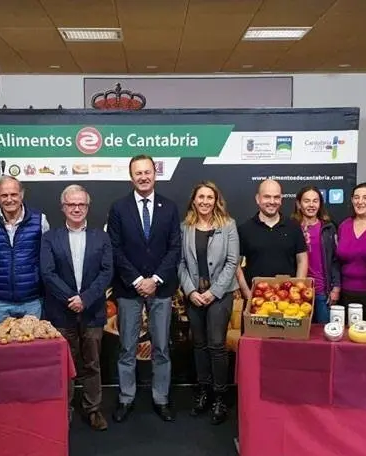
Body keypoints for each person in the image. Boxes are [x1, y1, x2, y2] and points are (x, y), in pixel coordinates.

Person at [107, 154, 181, 423]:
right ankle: (126, 397)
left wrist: (156, 279)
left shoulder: (170, 208)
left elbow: (175, 248)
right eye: (138, 173)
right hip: (129, 289)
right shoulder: (118, 208)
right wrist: (138, 281)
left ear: (155, 174)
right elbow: (114, 248)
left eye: (147, 172)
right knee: (127, 347)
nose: (143, 177)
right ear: (131, 177)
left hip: (161, 289)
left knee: (161, 347)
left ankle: (161, 398)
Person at [40, 185, 113, 431]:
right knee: (64, 364)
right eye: (71, 204)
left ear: (88, 207)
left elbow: (106, 272)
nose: (77, 208)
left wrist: (86, 299)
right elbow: (47, 273)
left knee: (92, 363)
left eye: (81, 204)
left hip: (92, 312)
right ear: (63, 208)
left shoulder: (101, 237)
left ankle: (93, 409)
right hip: (61, 312)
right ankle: (64, 409)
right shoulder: (50, 237)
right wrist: (70, 297)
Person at [178, 181, 239, 424]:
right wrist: (190, 290)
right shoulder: (185, 227)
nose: (205, 201)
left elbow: (232, 262)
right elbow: (180, 263)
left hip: (220, 295)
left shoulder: (228, 226)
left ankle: (220, 396)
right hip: (194, 295)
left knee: (216, 345)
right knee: (199, 345)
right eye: (200, 197)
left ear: (216, 201)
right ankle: (203, 392)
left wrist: (213, 292)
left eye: (209, 197)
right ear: (194, 200)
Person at [0, 176, 50, 327]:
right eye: (4, 195)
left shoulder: (40, 221)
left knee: (32, 348)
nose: (9, 199)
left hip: (32, 300)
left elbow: (46, 260)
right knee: (0, 348)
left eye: (13, 194)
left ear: (22, 194)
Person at [236, 179, 307, 301]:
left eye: (276, 197)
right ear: (258, 199)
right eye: (267, 197)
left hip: (287, 300)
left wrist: (297, 291)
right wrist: (247, 293)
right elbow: (236, 265)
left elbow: (302, 260)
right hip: (255, 299)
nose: (272, 202)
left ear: (281, 199)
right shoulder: (244, 229)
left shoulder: (293, 227)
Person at [292, 185, 340, 323]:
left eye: (315, 201)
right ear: (299, 204)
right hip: (296, 292)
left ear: (320, 204)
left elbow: (335, 260)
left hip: (322, 292)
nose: (311, 205)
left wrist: (336, 288)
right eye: (307, 201)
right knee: (298, 338)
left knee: (322, 337)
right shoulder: (290, 227)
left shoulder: (328, 228)